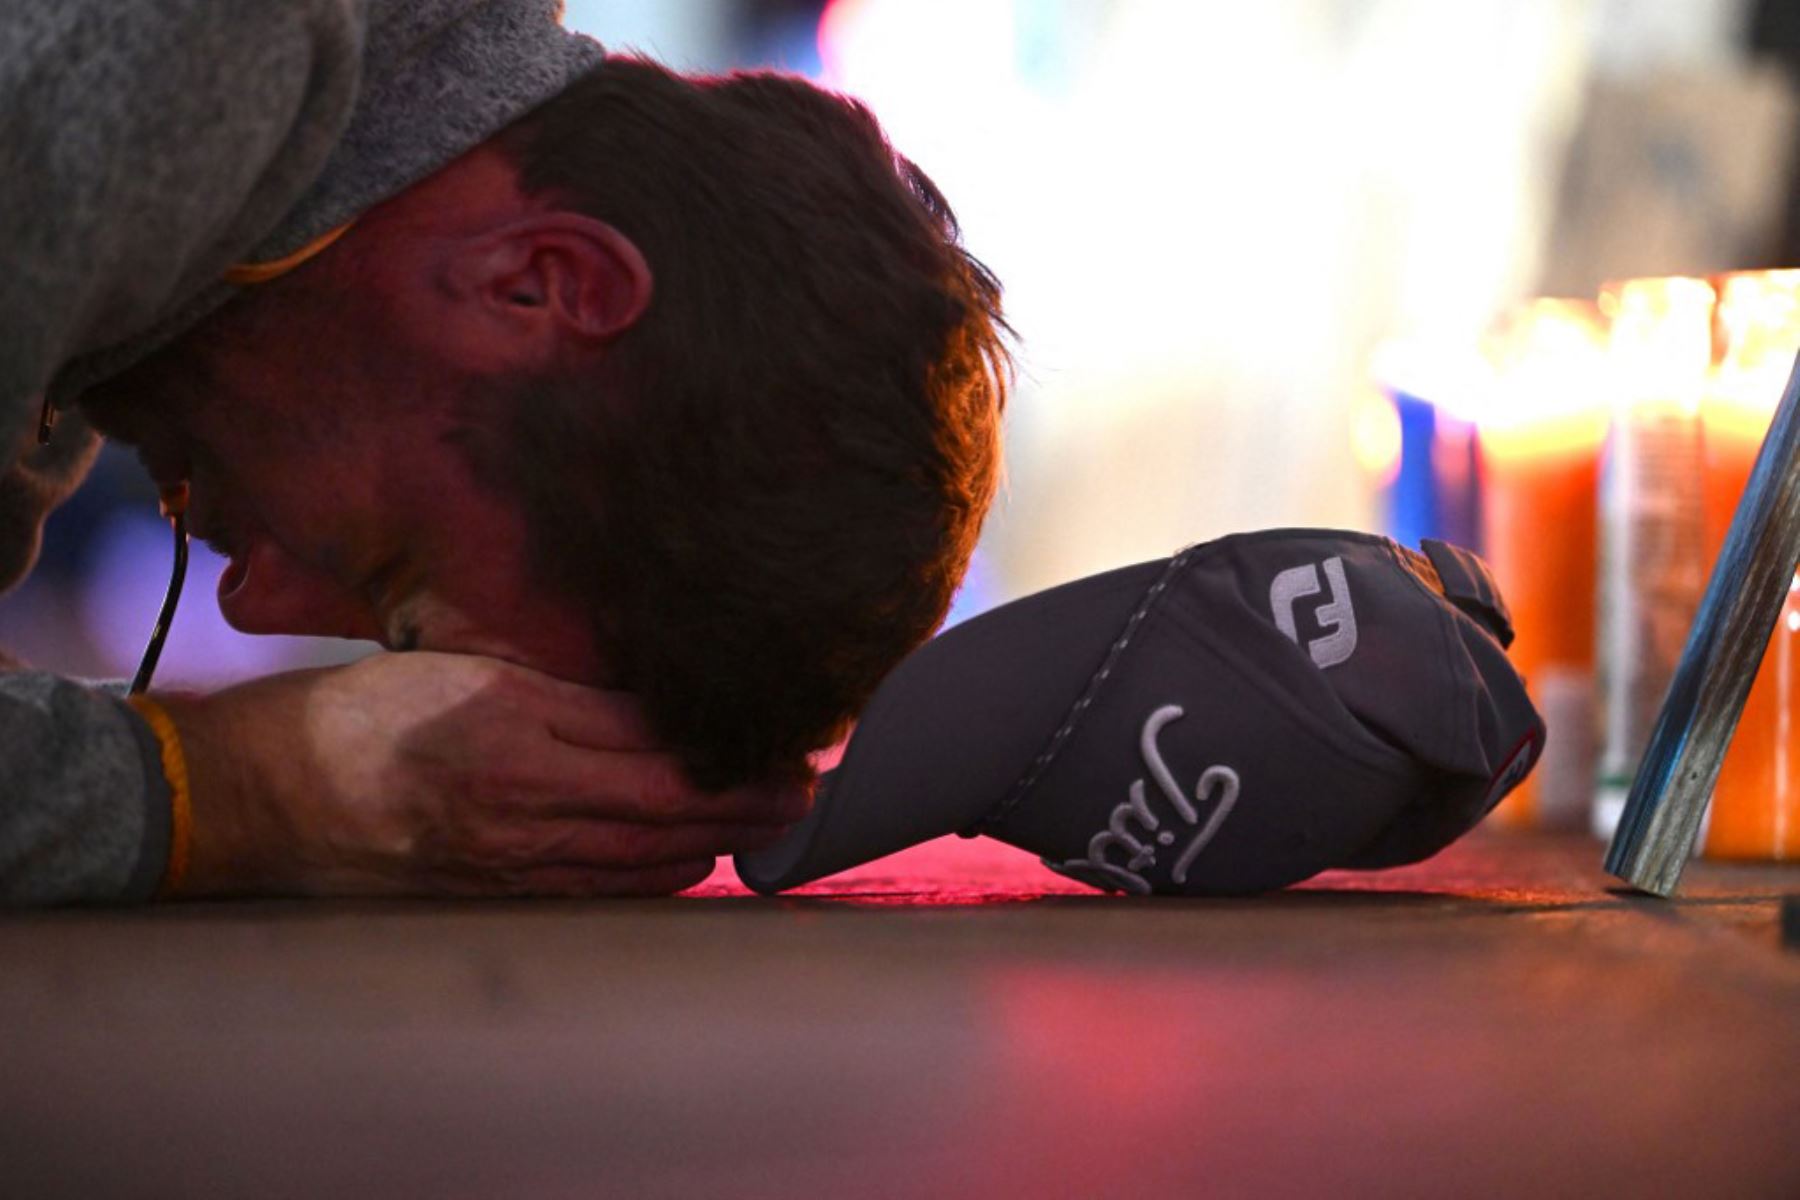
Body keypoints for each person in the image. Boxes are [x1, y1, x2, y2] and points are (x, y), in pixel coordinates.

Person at [0, 1, 1009, 904]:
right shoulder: (178, 60)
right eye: (388, 569)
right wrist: (248, 788)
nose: (249, 604)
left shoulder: (177, 226)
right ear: (536, 283)